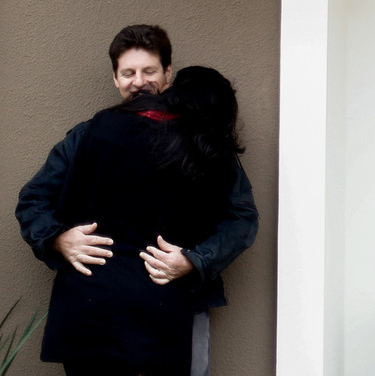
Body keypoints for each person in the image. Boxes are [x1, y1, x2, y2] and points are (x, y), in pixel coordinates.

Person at [16, 25, 257, 375]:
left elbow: (241, 216)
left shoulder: (201, 138)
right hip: (96, 318)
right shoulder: (88, 135)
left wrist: (194, 261)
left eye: (149, 71)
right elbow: (33, 199)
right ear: (115, 79)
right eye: (129, 73)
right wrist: (57, 239)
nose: (139, 82)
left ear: (168, 74)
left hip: (175, 309)